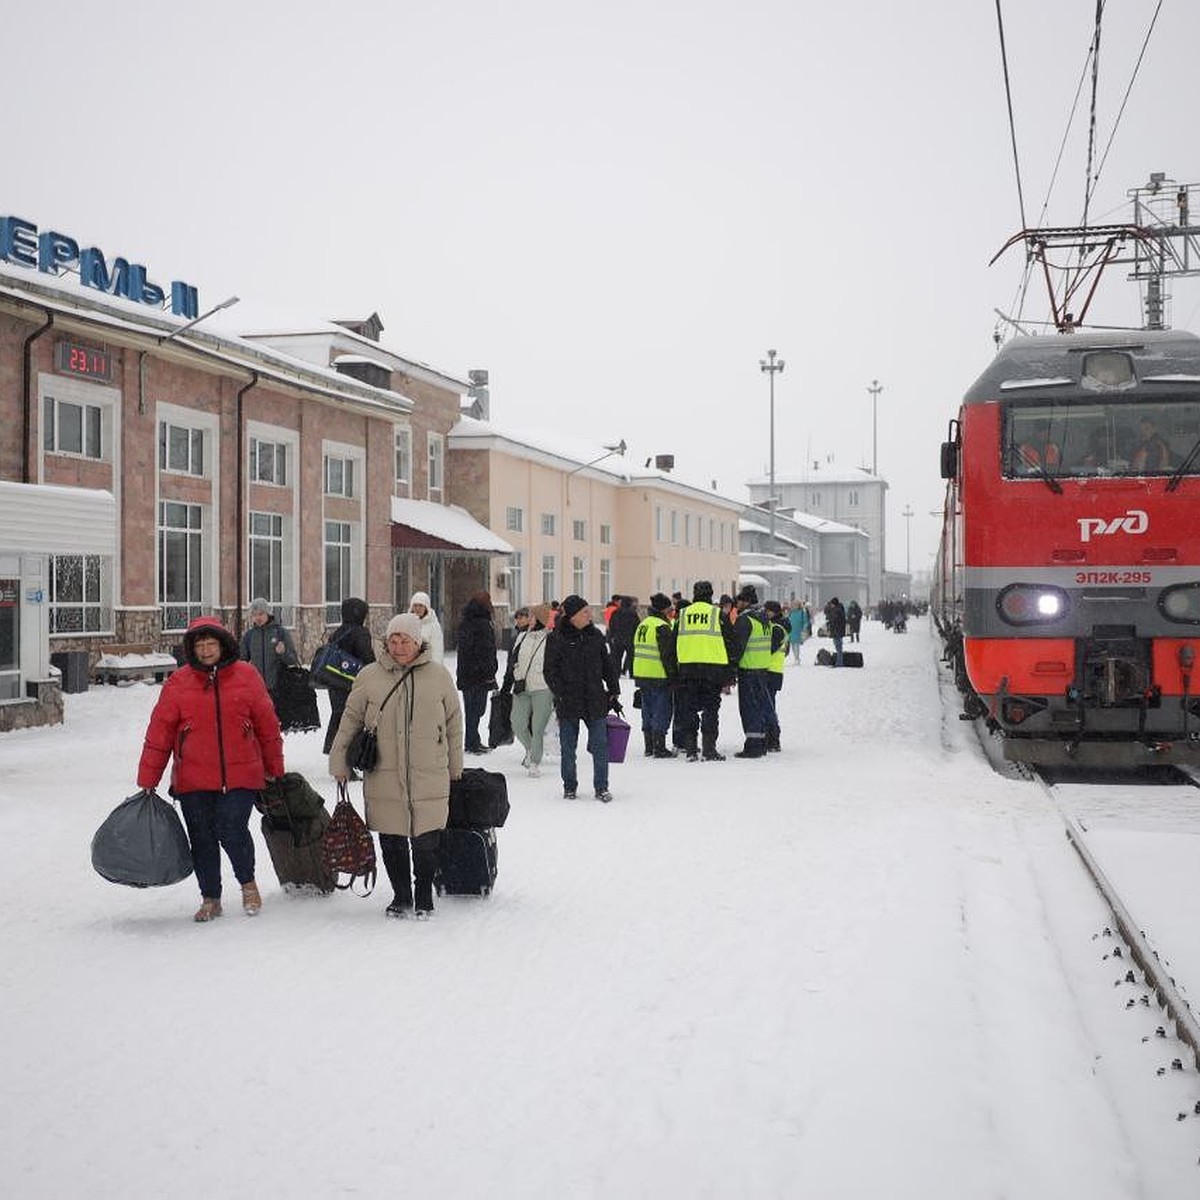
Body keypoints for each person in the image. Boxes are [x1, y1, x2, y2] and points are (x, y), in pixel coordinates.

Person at [138, 616, 284, 923]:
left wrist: (274, 767)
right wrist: (148, 778)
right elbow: (160, 731)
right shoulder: (179, 682)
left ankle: (247, 884)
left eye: (211, 643)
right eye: (199, 645)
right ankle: (210, 898)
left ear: (223, 644)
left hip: (241, 774)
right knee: (201, 839)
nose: (205, 650)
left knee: (231, 828)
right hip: (193, 777)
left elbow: (267, 725)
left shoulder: (246, 675)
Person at [330, 612, 463, 919]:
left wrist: (455, 765)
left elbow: (454, 724)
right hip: (383, 772)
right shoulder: (369, 676)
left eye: (406, 640)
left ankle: (424, 893)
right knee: (391, 838)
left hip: (429, 769)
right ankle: (401, 895)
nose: (399, 646)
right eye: (394, 639)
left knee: (427, 839)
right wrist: (339, 761)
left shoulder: (439, 676)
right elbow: (349, 721)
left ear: (419, 642)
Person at [544, 595, 621, 802]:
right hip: (568, 701)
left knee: (600, 745)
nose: (590, 615)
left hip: (595, 698)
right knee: (568, 748)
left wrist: (614, 689)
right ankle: (569, 786)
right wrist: (561, 692)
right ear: (573, 616)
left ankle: (601, 787)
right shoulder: (557, 637)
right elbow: (549, 671)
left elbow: (607, 665)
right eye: (585, 612)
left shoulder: (595, 635)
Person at [674, 580, 736, 762]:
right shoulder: (718, 615)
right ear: (711, 594)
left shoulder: (683, 614)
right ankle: (709, 749)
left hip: (688, 670)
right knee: (711, 710)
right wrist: (730, 672)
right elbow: (730, 643)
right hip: (713, 671)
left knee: (689, 710)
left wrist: (673, 671)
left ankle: (691, 749)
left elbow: (672, 644)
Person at [321, 597, 376, 757]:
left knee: (338, 715)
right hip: (353, 683)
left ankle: (334, 748)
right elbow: (366, 657)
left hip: (335, 681)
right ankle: (347, 756)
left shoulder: (338, 632)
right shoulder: (360, 633)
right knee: (353, 720)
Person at [506, 603, 553, 777]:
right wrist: (512, 677)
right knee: (517, 722)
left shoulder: (550, 639)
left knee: (537, 727)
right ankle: (530, 748)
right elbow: (513, 660)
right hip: (522, 686)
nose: (529, 619)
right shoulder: (521, 637)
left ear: (539, 619)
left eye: (532, 616)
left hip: (543, 688)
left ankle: (534, 761)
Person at [632, 592, 678, 759]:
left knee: (647, 709)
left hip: (642, 674)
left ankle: (649, 746)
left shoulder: (644, 624)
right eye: (670, 610)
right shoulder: (662, 627)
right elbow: (668, 656)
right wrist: (673, 676)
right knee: (661, 710)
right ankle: (659, 747)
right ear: (664, 610)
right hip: (658, 674)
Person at [730, 585, 773, 758]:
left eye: (739, 601)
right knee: (760, 707)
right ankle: (761, 742)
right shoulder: (764, 619)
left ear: (745, 601)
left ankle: (753, 746)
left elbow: (737, 647)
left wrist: (731, 667)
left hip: (748, 669)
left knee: (749, 708)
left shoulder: (745, 620)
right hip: (762, 669)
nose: (737, 604)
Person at [455, 591, 499, 754]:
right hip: (479, 674)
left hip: (467, 673)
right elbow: (486, 649)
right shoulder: (483, 623)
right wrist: (490, 671)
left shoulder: (466, 621)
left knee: (471, 710)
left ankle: (472, 740)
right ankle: (472, 742)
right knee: (477, 709)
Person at [240, 597, 297, 714]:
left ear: (268, 613)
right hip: (256, 691)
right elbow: (241, 661)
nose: (258, 618)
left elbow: (293, 660)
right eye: (254, 615)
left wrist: (283, 653)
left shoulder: (281, 633)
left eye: (261, 614)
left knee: (276, 726)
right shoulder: (249, 636)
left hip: (278, 689)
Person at [762, 600, 790, 752]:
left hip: (770, 670)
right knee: (769, 705)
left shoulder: (777, 628)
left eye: (767, 611)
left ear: (774, 612)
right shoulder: (781, 627)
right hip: (774, 670)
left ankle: (773, 738)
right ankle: (771, 737)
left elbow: (769, 648)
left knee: (768, 707)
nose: (765, 613)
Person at [607, 595, 640, 678]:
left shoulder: (616, 612)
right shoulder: (633, 613)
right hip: (630, 639)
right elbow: (637, 626)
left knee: (617, 658)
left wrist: (611, 636)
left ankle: (616, 673)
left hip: (618, 639)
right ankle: (632, 673)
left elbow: (612, 625)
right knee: (631, 657)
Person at [408, 591, 445, 663]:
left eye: (421, 606)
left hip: (427, 665)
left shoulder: (433, 625)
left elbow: (437, 650)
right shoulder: (407, 623)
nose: (418, 608)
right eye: (415, 605)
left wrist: (435, 668)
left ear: (426, 607)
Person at [824, 596, 848, 667]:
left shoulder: (837, 610)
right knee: (838, 647)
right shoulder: (839, 609)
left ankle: (839, 663)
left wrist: (829, 621)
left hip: (837, 631)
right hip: (837, 631)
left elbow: (834, 619)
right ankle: (839, 662)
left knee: (838, 647)